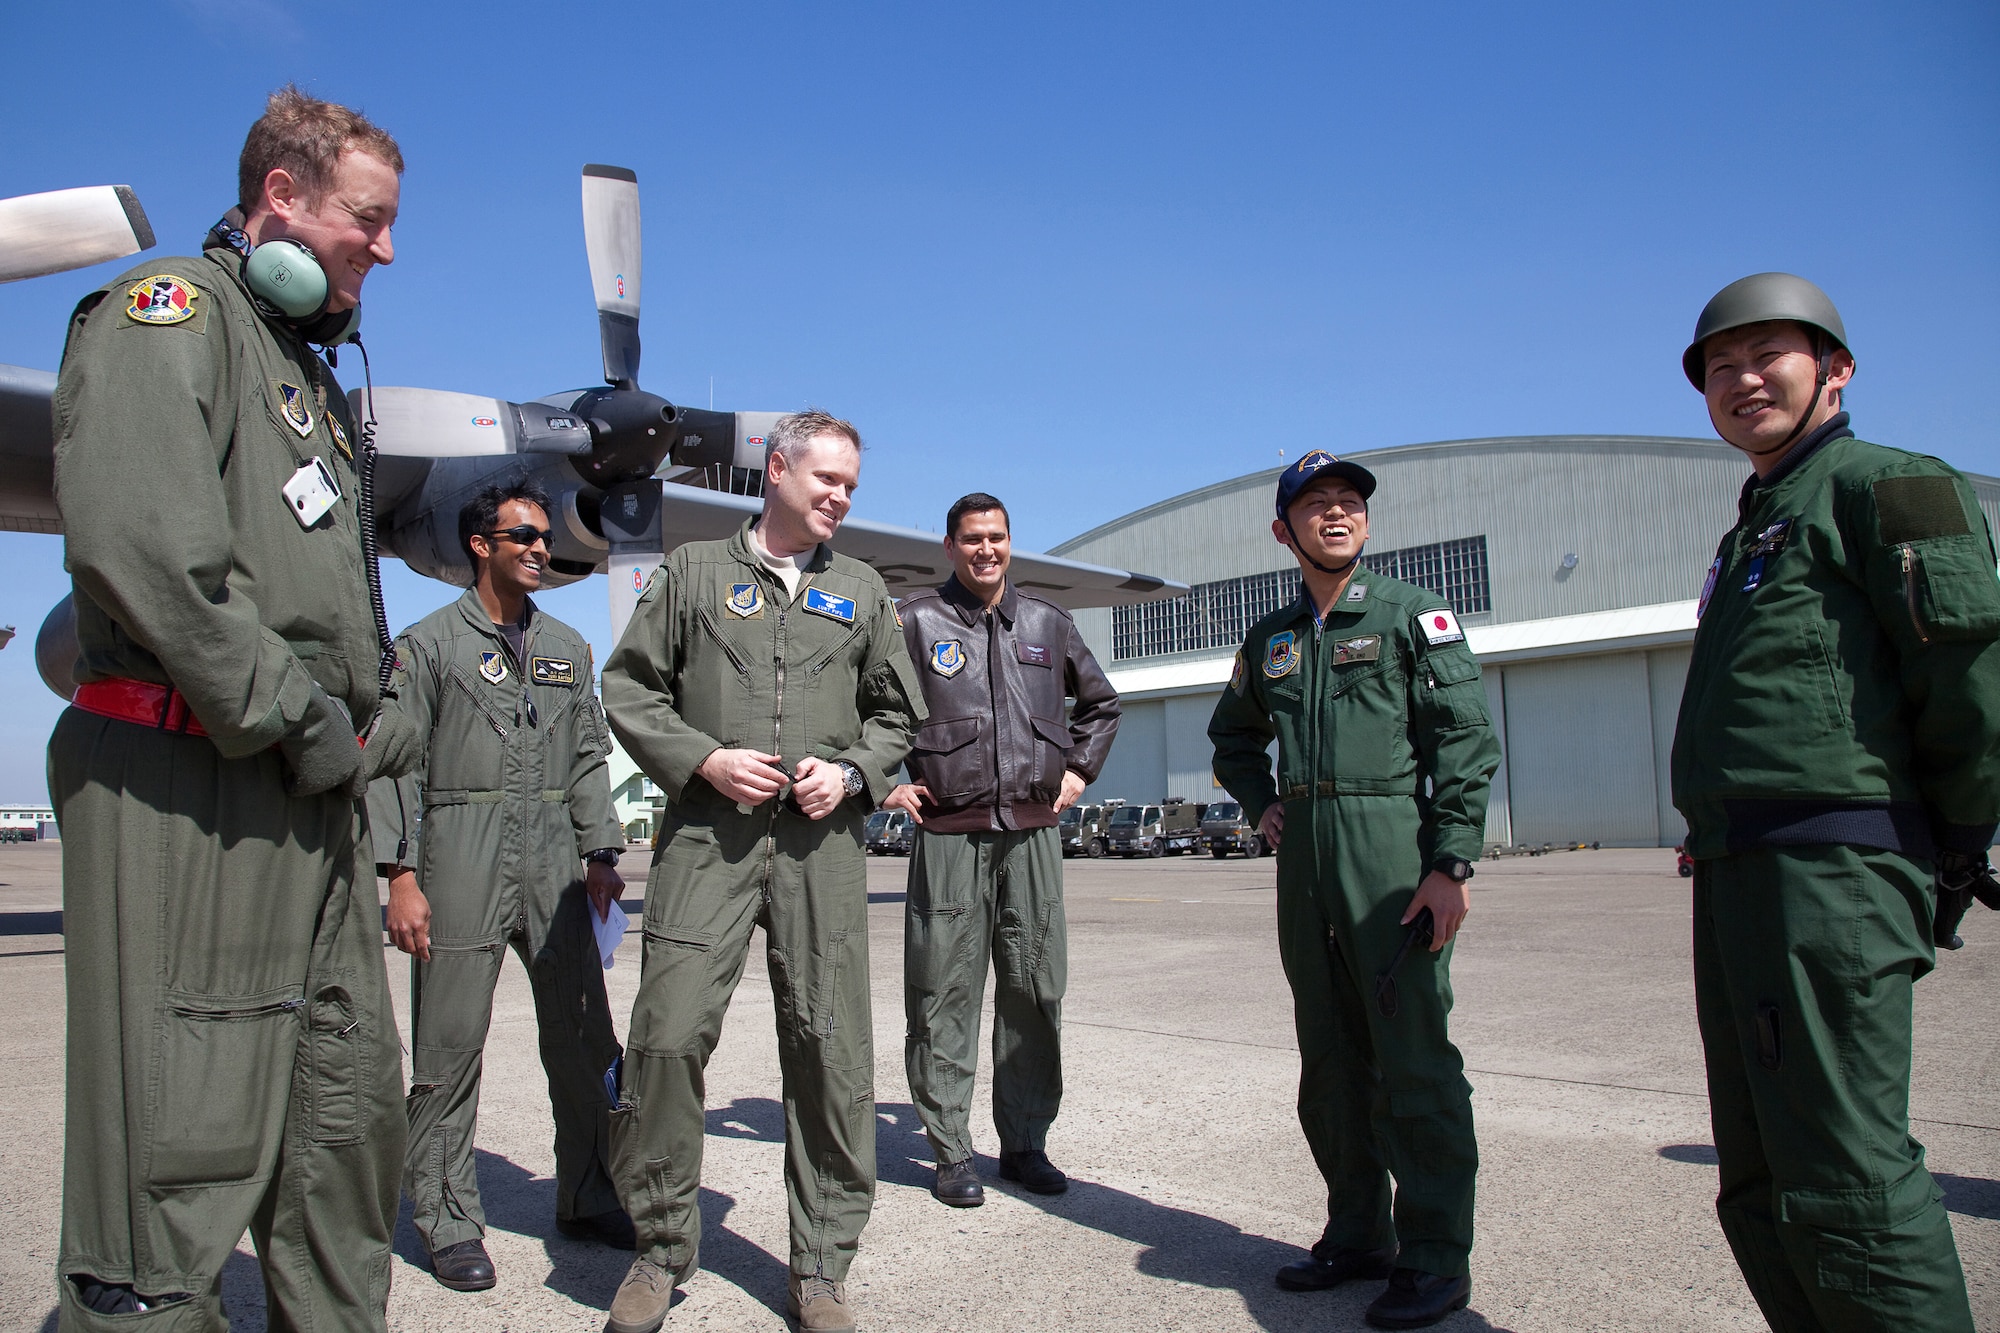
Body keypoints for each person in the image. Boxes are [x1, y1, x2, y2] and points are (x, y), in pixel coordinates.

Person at [47, 87, 421, 1329]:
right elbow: (145, 552)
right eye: (365, 221)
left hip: (305, 797)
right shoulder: (172, 316)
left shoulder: (296, 371)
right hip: (193, 776)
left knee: (342, 1118)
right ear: (281, 199)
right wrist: (307, 720)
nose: (384, 246)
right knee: (178, 1143)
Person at [1672, 273, 2000, 1332]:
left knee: (1844, 1175)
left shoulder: (1887, 486)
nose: (1740, 378)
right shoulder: (1754, 526)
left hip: (1829, 873)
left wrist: (1950, 845)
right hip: (1741, 870)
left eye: (1766, 353)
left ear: (1835, 368)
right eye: (1718, 366)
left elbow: (1966, 685)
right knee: (1761, 1173)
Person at [599, 410, 924, 1333]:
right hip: (710, 837)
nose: (840, 497)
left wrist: (853, 770)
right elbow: (629, 686)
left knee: (831, 1052)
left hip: (821, 848)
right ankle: (659, 1249)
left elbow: (897, 716)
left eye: (851, 486)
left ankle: (821, 1269)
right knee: (665, 1039)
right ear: (776, 470)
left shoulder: (860, 590)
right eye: (826, 479)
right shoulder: (695, 573)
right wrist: (702, 759)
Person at [1207, 451, 1499, 1330]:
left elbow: (1464, 742)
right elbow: (1232, 739)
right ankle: (1358, 1232)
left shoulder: (1415, 617)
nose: (1336, 514)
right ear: (1283, 528)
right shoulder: (1272, 639)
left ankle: (1438, 1258)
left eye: (1349, 503)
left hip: (1389, 855)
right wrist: (1263, 807)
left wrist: (1449, 863)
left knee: (1413, 1059)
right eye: (1317, 504)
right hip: (1305, 868)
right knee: (1330, 1059)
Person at [368, 479, 632, 1292]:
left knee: (586, 1040)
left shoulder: (567, 647)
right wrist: (402, 875)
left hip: (556, 862)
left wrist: (601, 855)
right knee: (448, 1048)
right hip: (460, 852)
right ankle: (447, 1216)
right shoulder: (428, 646)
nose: (540, 549)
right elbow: (394, 765)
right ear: (480, 544)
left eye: (544, 538)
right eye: (522, 536)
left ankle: (587, 1194)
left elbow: (588, 757)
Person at [883, 492, 1121, 1208]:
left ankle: (1025, 1143)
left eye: (998, 537)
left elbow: (1101, 704)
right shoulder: (916, 620)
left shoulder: (1048, 621)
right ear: (950, 546)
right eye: (972, 538)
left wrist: (1080, 770)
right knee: (942, 991)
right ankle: (951, 1150)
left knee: (1036, 988)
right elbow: (860, 705)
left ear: (1010, 542)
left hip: (1034, 831)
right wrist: (882, 784)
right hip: (950, 831)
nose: (986, 549)